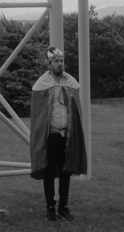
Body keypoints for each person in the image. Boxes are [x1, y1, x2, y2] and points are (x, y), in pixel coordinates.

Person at [30, 46, 87, 221]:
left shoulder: (70, 82)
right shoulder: (42, 84)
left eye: (62, 61)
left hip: (67, 135)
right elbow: (39, 115)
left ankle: (63, 207)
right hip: (51, 136)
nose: (60, 64)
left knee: (65, 172)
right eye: (56, 61)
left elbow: (76, 109)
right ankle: (50, 207)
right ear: (49, 64)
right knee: (49, 172)